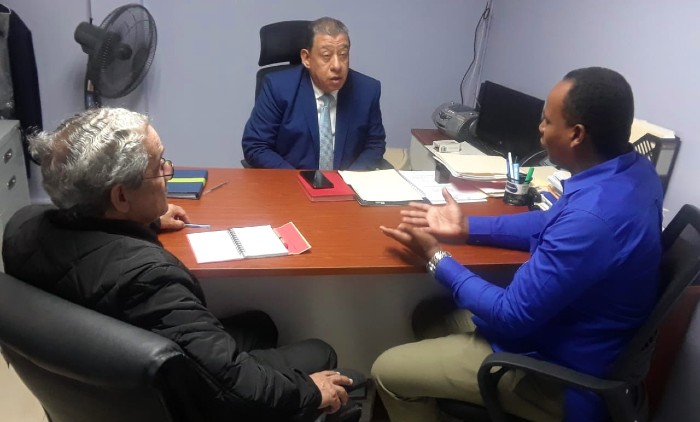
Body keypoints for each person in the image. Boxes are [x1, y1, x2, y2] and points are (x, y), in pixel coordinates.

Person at [1, 107, 355, 421]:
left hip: (99, 383)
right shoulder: (150, 279)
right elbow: (236, 386)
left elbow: (86, 240)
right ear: (121, 196)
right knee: (320, 352)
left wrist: (145, 219)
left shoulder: (21, 228)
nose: (168, 172)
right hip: (186, 401)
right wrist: (309, 392)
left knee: (259, 325)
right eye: (159, 165)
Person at [371, 67, 663, 422]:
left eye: (547, 121)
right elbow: (549, 221)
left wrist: (436, 257)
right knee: (429, 315)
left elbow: (511, 315)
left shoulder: (592, 218)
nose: (540, 128)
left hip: (558, 378)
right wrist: (467, 227)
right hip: (571, 338)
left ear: (576, 135)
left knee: (386, 371)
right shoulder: (634, 172)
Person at [242, 17, 386, 170]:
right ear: (307, 58)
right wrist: (297, 179)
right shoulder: (278, 88)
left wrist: (351, 178)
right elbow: (256, 145)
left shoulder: (367, 90)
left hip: (346, 181)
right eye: (326, 56)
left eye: (343, 54)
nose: (337, 66)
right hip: (291, 179)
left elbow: (375, 144)